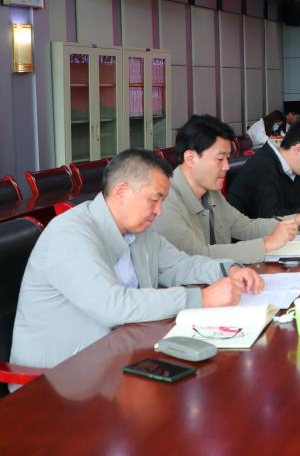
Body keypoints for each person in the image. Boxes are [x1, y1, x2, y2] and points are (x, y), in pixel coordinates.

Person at [10, 150, 264, 372]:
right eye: (154, 199)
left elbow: (180, 265)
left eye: (162, 201)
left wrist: (228, 269)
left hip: (123, 354)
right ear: (122, 192)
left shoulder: (139, 231)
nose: (159, 211)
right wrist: (202, 298)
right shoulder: (69, 234)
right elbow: (112, 306)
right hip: (60, 378)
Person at [153, 115, 300, 264]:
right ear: (191, 158)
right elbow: (198, 255)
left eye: (227, 158)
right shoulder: (164, 202)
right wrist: (266, 244)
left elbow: (243, 226)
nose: (226, 167)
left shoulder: (210, 191)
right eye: (220, 159)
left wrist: (298, 219)